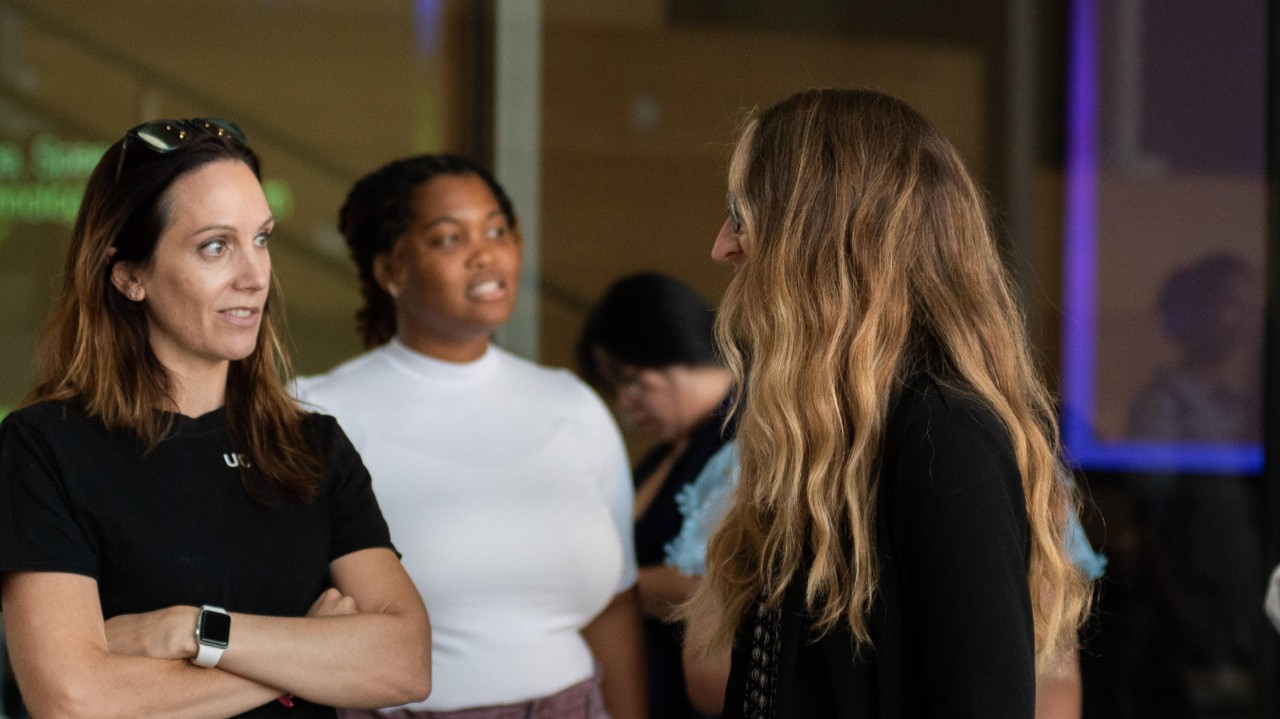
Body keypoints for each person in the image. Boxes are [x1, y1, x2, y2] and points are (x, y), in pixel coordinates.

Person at [681, 89, 1093, 717]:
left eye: (741, 214)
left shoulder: (942, 434)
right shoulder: (831, 434)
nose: (723, 245)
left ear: (819, 236)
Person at [0, 118, 431, 718]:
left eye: (262, 239)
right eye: (215, 247)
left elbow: (406, 662)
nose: (254, 277)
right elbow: (73, 700)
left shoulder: (311, 446)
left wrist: (193, 630)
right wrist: (308, 656)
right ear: (129, 275)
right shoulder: (43, 448)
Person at [293, 155, 646, 719]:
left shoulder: (572, 405)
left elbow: (615, 606)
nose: (485, 254)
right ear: (391, 269)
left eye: (497, 231)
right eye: (449, 238)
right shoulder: (316, 413)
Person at [577, 272, 734, 719]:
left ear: (675, 353)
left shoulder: (746, 437)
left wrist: (584, 584)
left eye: (632, 382)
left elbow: (711, 586)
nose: (625, 405)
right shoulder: (671, 446)